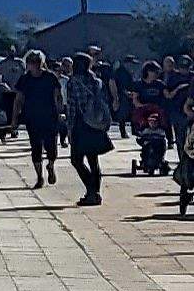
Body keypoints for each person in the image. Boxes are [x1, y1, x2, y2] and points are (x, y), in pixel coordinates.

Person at [63, 54, 118, 206]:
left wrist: (69, 128)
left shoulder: (73, 82)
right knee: (93, 161)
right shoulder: (96, 81)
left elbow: (72, 107)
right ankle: (95, 193)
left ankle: (91, 190)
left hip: (81, 124)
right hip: (95, 123)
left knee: (76, 160)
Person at [15, 49, 65, 188]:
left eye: (36, 62)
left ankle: (50, 165)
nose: (33, 65)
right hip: (32, 117)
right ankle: (39, 177)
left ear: (41, 63)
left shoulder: (50, 77)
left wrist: (60, 111)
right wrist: (15, 118)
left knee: (51, 147)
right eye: (31, 62)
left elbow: (58, 96)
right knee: (36, 147)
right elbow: (18, 99)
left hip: (50, 117)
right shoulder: (25, 79)